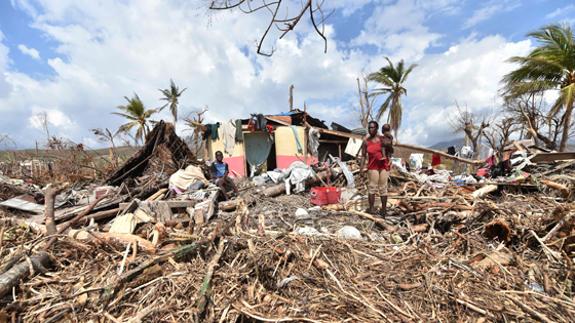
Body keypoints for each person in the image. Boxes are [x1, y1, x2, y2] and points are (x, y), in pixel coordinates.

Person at [360, 121, 391, 216]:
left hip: (383, 166)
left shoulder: (382, 139)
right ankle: (371, 208)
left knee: (383, 188)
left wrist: (389, 158)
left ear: (377, 128)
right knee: (372, 188)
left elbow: (389, 148)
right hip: (372, 166)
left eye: (373, 127)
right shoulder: (366, 142)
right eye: (369, 127)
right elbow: (363, 156)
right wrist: (361, 168)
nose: (370, 129)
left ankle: (384, 210)